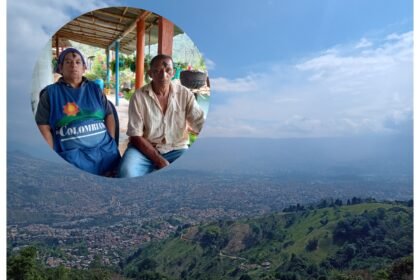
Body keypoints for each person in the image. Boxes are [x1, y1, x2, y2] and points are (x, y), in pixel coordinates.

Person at [35, 47, 121, 176]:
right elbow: (43, 127)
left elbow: (109, 114)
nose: (73, 65)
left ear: (84, 67)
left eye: (78, 62)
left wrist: (111, 141)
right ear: (60, 68)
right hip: (72, 157)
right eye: (68, 62)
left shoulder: (95, 89)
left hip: (105, 151)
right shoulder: (50, 94)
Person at [118, 54, 205, 178]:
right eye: (157, 71)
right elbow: (135, 136)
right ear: (150, 74)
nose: (163, 75)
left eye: (168, 70)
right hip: (144, 150)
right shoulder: (138, 97)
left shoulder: (185, 95)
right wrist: (159, 160)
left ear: (173, 72)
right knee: (126, 172)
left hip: (176, 149)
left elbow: (200, 123)